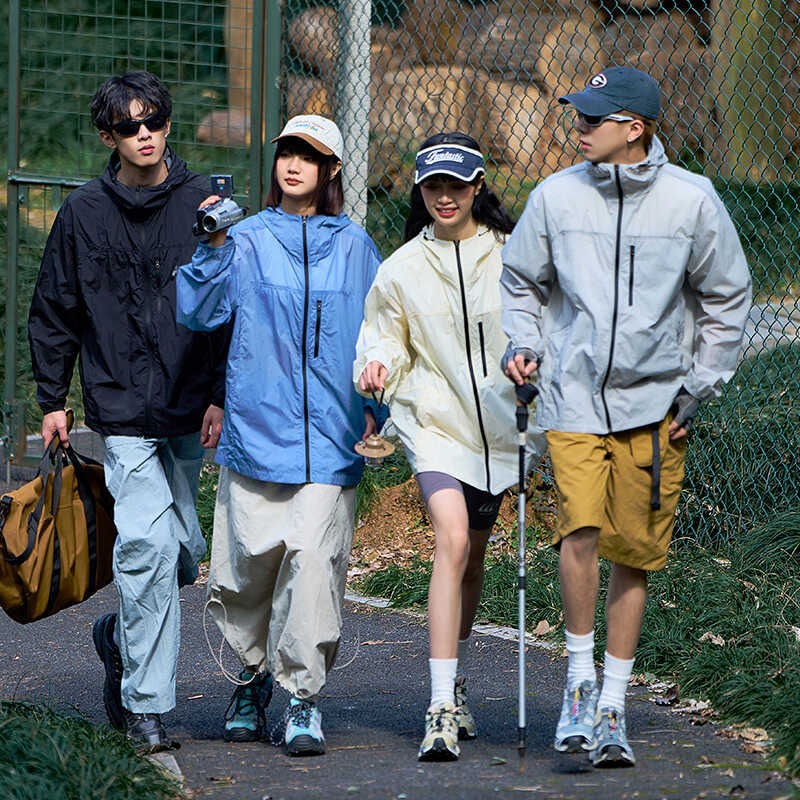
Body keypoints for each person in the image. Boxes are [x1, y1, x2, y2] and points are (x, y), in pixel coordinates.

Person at [500, 66, 752, 767]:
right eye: (578, 115)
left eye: (592, 118)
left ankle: (614, 704)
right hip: (573, 398)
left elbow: (728, 297)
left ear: (633, 127)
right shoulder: (554, 196)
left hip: (655, 409)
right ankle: (579, 684)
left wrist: (698, 387)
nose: (578, 127)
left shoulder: (691, 201)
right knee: (579, 530)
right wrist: (524, 345)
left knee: (631, 552)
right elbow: (521, 282)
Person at [27, 70, 229, 752]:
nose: (144, 134)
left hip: (187, 405)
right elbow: (54, 309)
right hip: (118, 408)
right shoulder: (83, 213)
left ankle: (120, 636)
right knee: (147, 548)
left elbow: (230, 307)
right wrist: (52, 400)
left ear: (168, 125)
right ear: (107, 136)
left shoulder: (204, 204)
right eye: (128, 126)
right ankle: (146, 708)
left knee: (183, 555)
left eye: (154, 122)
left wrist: (220, 393)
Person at [176, 114, 383, 757]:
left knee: (314, 564)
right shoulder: (246, 239)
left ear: (332, 170)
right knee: (249, 569)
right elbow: (198, 312)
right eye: (286, 152)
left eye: (308, 156)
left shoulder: (355, 246)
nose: (293, 165)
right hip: (257, 431)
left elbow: (381, 333)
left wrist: (377, 405)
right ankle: (250, 677)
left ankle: (302, 697)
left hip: (331, 438)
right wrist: (212, 247)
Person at [354, 132, 543, 762]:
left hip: (499, 431)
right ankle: (438, 705)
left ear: (477, 186)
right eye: (433, 185)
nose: (444, 196)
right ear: (420, 190)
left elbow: (542, 324)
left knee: (474, 559)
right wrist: (376, 366)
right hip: (433, 425)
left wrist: (534, 363)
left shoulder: (514, 255)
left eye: (456, 185)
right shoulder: (402, 268)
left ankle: (456, 679)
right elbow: (382, 336)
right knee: (453, 540)